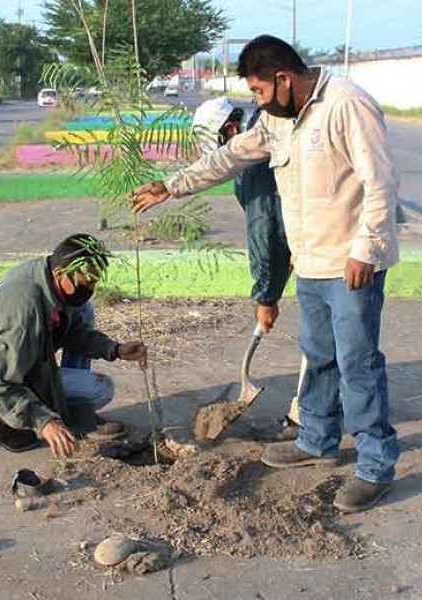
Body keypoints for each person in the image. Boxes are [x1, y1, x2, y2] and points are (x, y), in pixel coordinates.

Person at [132, 35, 401, 512]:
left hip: (350, 263)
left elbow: (380, 182)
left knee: (357, 364)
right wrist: (171, 186)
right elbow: (230, 155)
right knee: (318, 355)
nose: (255, 102)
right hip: (311, 264)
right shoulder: (276, 120)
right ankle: (316, 440)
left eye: (257, 91)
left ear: (283, 79)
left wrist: (367, 248)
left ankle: (374, 467)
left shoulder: (346, 105)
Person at [0, 233, 148, 459]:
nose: (92, 288)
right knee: (100, 389)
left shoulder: (49, 277)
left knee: (84, 309)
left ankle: (63, 412)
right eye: (87, 282)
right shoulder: (24, 309)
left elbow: (72, 331)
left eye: (94, 280)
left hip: (28, 362)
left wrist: (113, 349)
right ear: (60, 274)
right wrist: (44, 421)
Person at [192, 96, 301, 439]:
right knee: (326, 341)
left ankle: (308, 423)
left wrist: (266, 298)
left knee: (323, 341)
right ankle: (313, 417)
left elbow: (265, 229)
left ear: (230, 129)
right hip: (318, 240)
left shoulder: (253, 160)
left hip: (336, 248)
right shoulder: (264, 130)